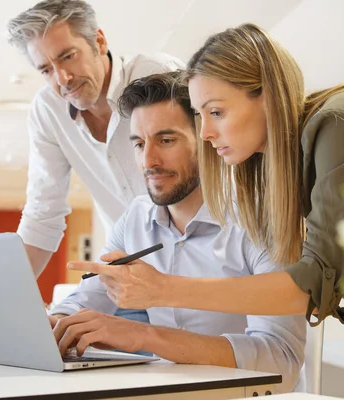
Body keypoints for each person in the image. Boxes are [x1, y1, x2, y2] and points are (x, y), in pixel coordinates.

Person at [66, 23, 344, 327]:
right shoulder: (286, 169)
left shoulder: (338, 124)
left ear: (267, 96)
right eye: (200, 116)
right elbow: (326, 287)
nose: (205, 133)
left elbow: (309, 288)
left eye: (216, 112)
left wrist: (163, 289)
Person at [50, 72, 306, 393]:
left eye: (166, 140)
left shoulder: (263, 220)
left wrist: (146, 336)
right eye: (140, 144)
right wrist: (56, 321)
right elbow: (91, 296)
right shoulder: (135, 220)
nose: (149, 160)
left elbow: (281, 361)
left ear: (207, 138)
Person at [7, 0, 183, 278]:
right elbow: (43, 214)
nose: (62, 78)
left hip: (195, 260)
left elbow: (209, 171)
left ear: (99, 42)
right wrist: (6, 296)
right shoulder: (48, 110)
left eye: (68, 56)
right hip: (126, 268)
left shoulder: (157, 75)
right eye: (46, 70)